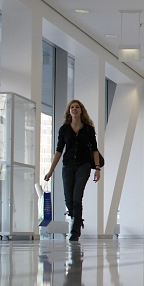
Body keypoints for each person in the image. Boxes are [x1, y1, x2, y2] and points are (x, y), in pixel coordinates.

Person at [44, 100, 101, 242]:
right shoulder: (64, 130)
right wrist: (51, 170)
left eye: (77, 107)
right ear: (69, 111)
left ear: (81, 110)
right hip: (68, 166)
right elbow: (58, 151)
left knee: (77, 198)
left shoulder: (88, 129)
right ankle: (78, 218)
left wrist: (97, 168)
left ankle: (75, 231)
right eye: (72, 107)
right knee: (68, 200)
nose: (74, 109)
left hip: (84, 166)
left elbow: (94, 150)